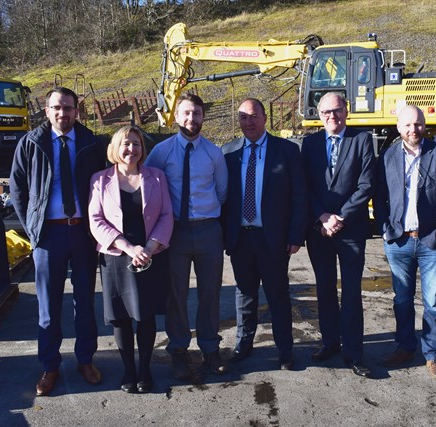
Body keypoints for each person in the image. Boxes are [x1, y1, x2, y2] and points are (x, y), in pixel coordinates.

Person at [9, 87, 106, 396]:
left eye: (68, 107)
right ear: (47, 111)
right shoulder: (31, 144)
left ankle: (85, 360)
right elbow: (17, 190)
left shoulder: (92, 143)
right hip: (47, 236)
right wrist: (33, 229)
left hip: (82, 233)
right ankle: (50, 366)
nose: (62, 113)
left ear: (77, 111)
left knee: (85, 303)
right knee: (48, 307)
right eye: (56, 108)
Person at [144, 93, 228, 380]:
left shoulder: (214, 153)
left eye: (197, 114)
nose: (192, 119)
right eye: (186, 113)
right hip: (174, 232)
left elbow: (221, 191)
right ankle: (179, 351)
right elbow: (152, 190)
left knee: (210, 293)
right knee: (176, 295)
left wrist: (205, 214)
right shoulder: (161, 152)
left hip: (208, 230)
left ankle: (209, 348)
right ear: (177, 116)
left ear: (203, 117)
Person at [374, 105, 436, 379]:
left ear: (425, 125)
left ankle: (433, 355)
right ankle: (405, 347)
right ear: (398, 128)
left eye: (418, 124)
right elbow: (379, 196)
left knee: (433, 302)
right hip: (398, 241)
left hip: (431, 241)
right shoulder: (388, 156)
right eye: (408, 125)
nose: (414, 130)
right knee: (402, 299)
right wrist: (386, 229)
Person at [221, 98, 307, 370]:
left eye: (254, 116)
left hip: (274, 239)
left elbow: (299, 196)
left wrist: (295, 236)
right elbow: (224, 198)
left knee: (278, 294)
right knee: (244, 294)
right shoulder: (229, 152)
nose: (249, 122)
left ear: (265, 118)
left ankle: (285, 350)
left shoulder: (287, 150)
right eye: (243, 117)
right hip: (241, 237)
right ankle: (243, 344)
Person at [88, 126, 173, 393]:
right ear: (115, 148)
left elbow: (167, 215)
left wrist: (148, 247)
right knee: (121, 317)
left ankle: (145, 369)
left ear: (142, 149)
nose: (131, 149)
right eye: (126, 144)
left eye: (136, 144)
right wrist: (128, 247)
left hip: (150, 255)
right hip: (116, 256)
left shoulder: (157, 177)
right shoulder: (100, 180)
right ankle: (128, 370)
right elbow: (96, 219)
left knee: (145, 316)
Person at [301, 92, 375, 377]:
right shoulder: (310, 144)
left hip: (350, 229)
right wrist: (321, 216)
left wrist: (339, 217)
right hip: (319, 230)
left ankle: (354, 352)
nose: (332, 116)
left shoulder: (362, 140)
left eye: (337, 110)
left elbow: (366, 185)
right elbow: (304, 185)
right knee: (325, 288)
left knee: (352, 292)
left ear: (347, 111)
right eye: (326, 112)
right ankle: (330, 342)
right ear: (319, 115)